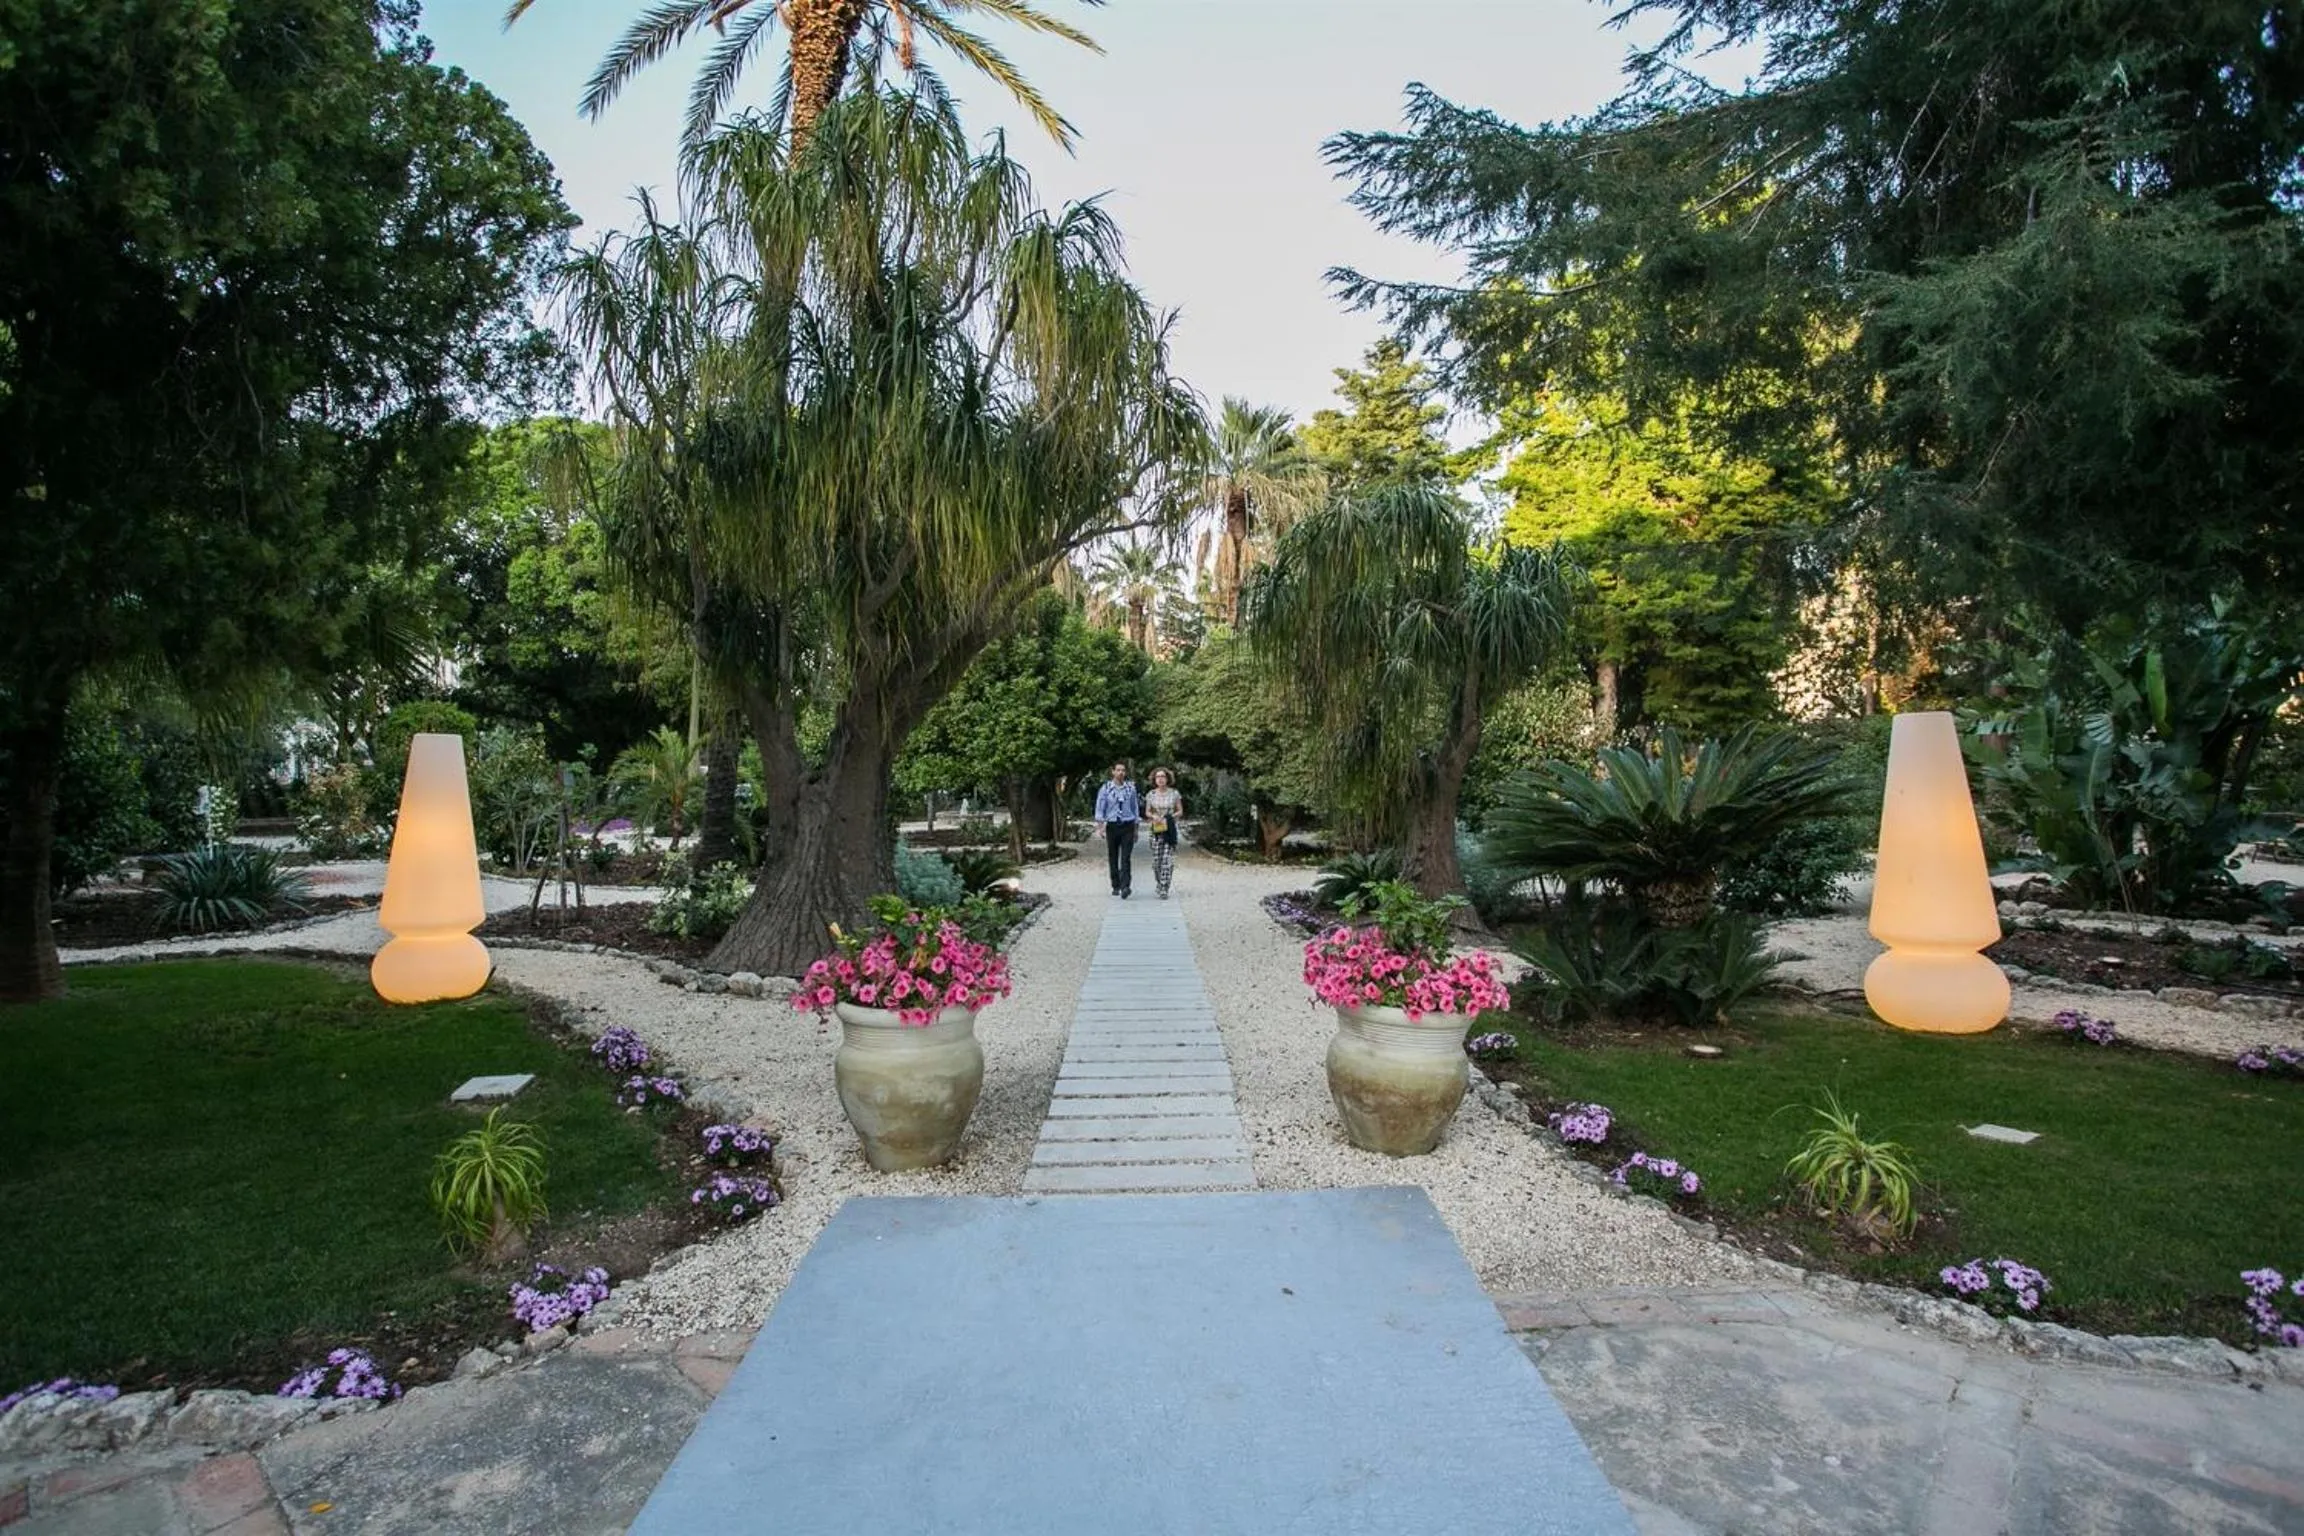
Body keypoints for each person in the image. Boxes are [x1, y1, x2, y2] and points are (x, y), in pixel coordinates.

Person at [1093, 761, 1140, 898]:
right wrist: (1100, 827)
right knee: (1113, 856)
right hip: (1112, 825)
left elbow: (1134, 808)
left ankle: (1126, 886)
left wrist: (1136, 829)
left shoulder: (1130, 789)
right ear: (1112, 771)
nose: (1121, 773)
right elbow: (1100, 808)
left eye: (1123, 770)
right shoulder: (1106, 788)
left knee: (1126, 857)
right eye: (1118, 770)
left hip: (1127, 825)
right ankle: (1115, 884)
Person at [1143, 768, 1184, 900]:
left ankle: (1164, 888)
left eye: (1163, 777)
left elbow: (1180, 811)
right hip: (1156, 829)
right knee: (1157, 861)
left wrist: (1170, 817)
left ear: (1167, 779)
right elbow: (1147, 812)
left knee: (1167, 860)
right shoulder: (1151, 794)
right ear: (1154, 780)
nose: (1160, 779)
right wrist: (1154, 816)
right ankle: (1159, 882)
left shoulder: (1174, 793)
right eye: (1158, 777)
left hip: (1170, 829)